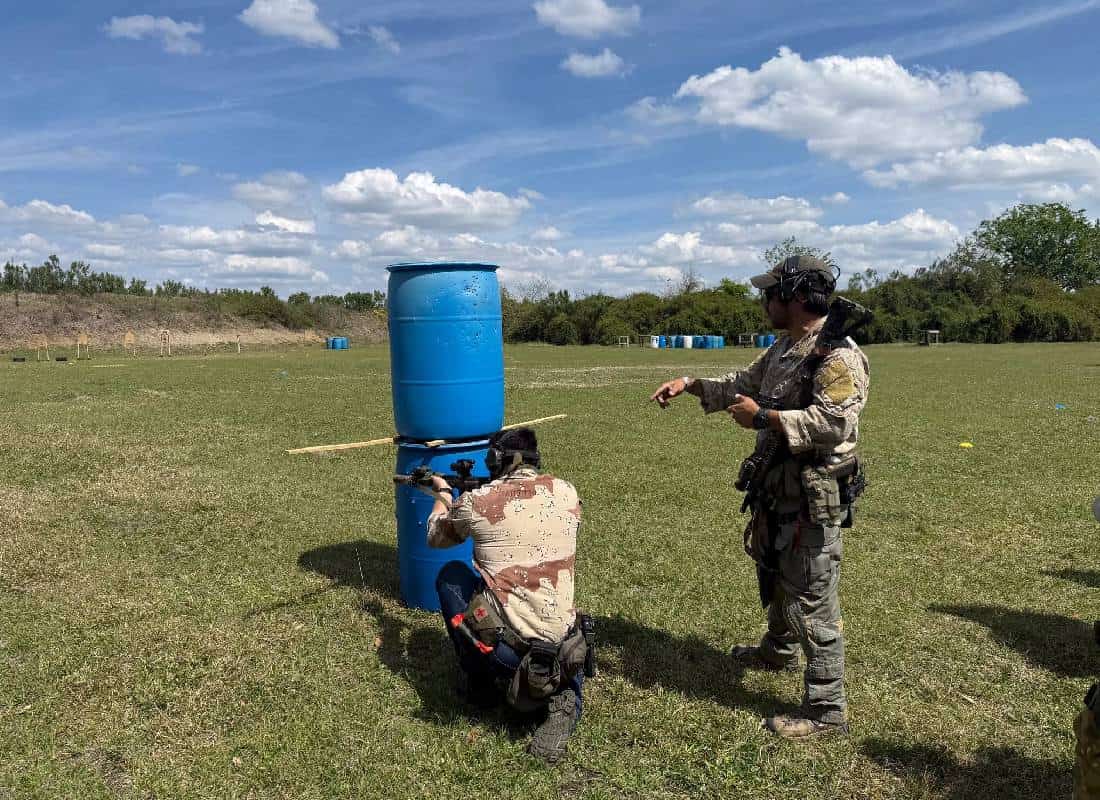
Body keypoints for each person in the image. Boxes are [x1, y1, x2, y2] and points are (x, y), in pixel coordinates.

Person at [650, 255, 869, 739]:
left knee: (812, 597)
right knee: (775, 571)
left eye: (770, 293)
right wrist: (690, 385)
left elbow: (835, 423)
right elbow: (741, 386)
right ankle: (778, 650)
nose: (764, 301)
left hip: (811, 495)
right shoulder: (785, 348)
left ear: (796, 296)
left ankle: (827, 709)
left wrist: (765, 419)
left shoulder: (838, 355)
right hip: (777, 486)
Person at [420, 427, 591, 762]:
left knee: (452, 576)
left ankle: (481, 685)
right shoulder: (567, 492)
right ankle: (562, 693)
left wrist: (443, 494)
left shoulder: (477, 502)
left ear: (498, 460)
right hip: (568, 647)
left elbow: (435, 537)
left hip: (508, 652)